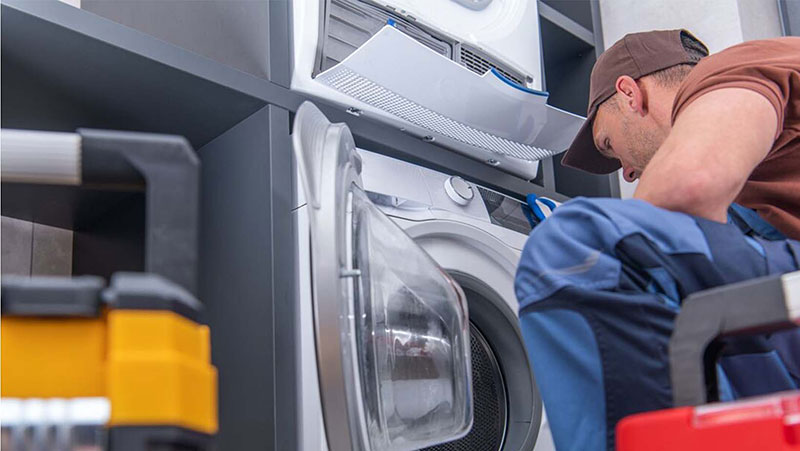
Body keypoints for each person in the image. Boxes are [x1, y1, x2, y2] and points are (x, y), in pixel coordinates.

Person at [515, 30, 800, 451]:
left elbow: (686, 188)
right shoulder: (756, 189)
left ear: (631, 94)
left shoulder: (729, 69)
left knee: (583, 247)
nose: (626, 173)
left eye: (609, 144)